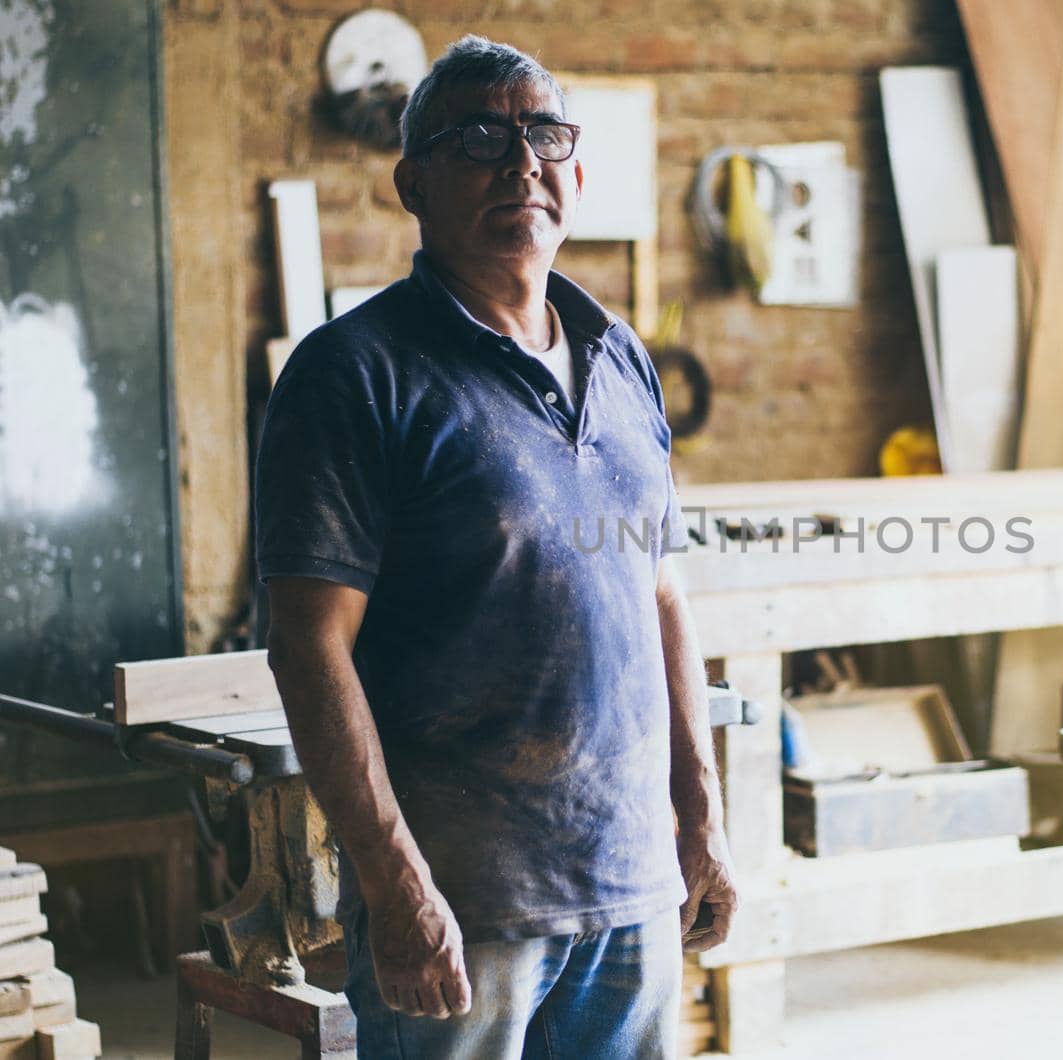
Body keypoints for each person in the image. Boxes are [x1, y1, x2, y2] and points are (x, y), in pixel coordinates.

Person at [253, 35, 736, 1059]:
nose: (521, 163)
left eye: (544, 134)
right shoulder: (355, 373)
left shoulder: (619, 358)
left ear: (577, 171)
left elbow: (662, 600)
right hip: (465, 907)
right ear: (412, 183)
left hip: (630, 886)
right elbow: (307, 644)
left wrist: (703, 821)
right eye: (480, 138)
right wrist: (396, 884)